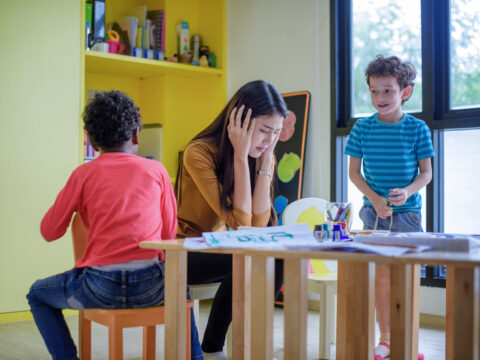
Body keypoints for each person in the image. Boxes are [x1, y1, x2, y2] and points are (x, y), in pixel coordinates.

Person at [26, 91, 202, 360]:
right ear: (135, 135)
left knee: (37, 294)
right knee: (179, 280)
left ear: (93, 141)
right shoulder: (157, 172)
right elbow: (168, 237)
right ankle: (196, 356)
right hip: (152, 288)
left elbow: (49, 232)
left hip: (97, 289)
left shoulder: (82, 174)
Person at [175, 80, 287, 360]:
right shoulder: (198, 152)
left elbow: (257, 230)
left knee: (278, 257)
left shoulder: (263, 156)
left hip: (219, 247)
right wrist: (239, 155)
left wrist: (264, 164)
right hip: (182, 251)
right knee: (247, 258)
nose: (268, 141)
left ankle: (236, 344)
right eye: (263, 131)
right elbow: (242, 225)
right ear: (239, 120)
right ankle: (213, 347)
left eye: (276, 133)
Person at [345, 55, 434, 360]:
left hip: (408, 214)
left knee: (405, 276)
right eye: (374, 91)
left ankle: (407, 341)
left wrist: (407, 191)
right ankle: (386, 340)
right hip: (373, 213)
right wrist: (375, 199)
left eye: (387, 91)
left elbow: (426, 173)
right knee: (382, 275)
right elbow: (354, 173)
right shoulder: (361, 129)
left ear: (404, 92)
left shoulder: (418, 129)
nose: (379, 97)